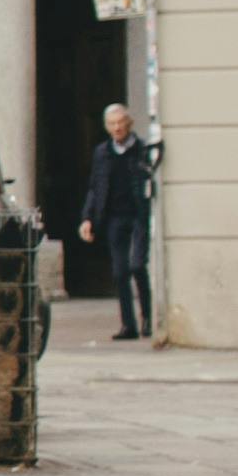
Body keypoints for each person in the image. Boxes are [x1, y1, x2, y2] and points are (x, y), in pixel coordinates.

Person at [77, 101, 158, 343]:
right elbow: (95, 187)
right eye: (112, 124)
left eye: (120, 123)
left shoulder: (142, 149)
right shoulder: (102, 153)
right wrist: (88, 218)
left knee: (137, 265)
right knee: (120, 271)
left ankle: (148, 318)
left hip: (138, 214)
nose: (117, 128)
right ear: (107, 127)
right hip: (114, 217)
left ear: (129, 123)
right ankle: (128, 325)